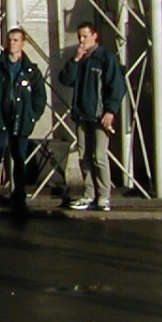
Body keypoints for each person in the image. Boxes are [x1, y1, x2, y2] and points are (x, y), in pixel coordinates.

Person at [0, 28, 47, 215]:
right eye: (10, 40)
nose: (12, 43)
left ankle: (19, 196)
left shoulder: (30, 71)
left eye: (16, 40)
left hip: (20, 120)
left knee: (19, 160)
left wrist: (32, 116)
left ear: (23, 43)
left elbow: (40, 96)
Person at [59, 22, 126, 212]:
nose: (81, 40)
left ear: (95, 36)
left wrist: (110, 111)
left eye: (85, 36)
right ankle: (88, 194)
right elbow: (66, 80)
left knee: (99, 156)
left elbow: (116, 86)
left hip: (99, 116)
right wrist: (75, 60)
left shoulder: (105, 58)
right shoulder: (81, 58)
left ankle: (104, 196)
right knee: (84, 156)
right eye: (79, 36)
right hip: (81, 114)